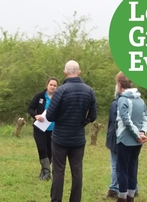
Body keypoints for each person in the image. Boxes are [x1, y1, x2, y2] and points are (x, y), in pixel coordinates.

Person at [46, 60, 97, 202]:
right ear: (79, 72)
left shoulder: (61, 91)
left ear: (65, 72)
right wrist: (82, 122)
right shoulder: (89, 91)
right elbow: (93, 116)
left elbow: (50, 115)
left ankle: (56, 200)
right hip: (78, 138)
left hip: (60, 138)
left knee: (58, 171)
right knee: (77, 172)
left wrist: (61, 119)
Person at [115, 71, 147, 202]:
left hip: (125, 139)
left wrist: (136, 135)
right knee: (132, 167)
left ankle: (122, 197)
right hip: (138, 141)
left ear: (119, 84)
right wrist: (142, 132)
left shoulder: (123, 99)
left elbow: (126, 120)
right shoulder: (140, 100)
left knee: (122, 169)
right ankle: (131, 196)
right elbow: (146, 118)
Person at [27, 77, 58, 181]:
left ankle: (45, 170)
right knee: (42, 148)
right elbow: (30, 108)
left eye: (55, 85)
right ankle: (46, 171)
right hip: (40, 128)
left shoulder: (58, 97)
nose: (52, 87)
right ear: (47, 85)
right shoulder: (40, 96)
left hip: (53, 129)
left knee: (51, 151)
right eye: (51, 85)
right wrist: (35, 116)